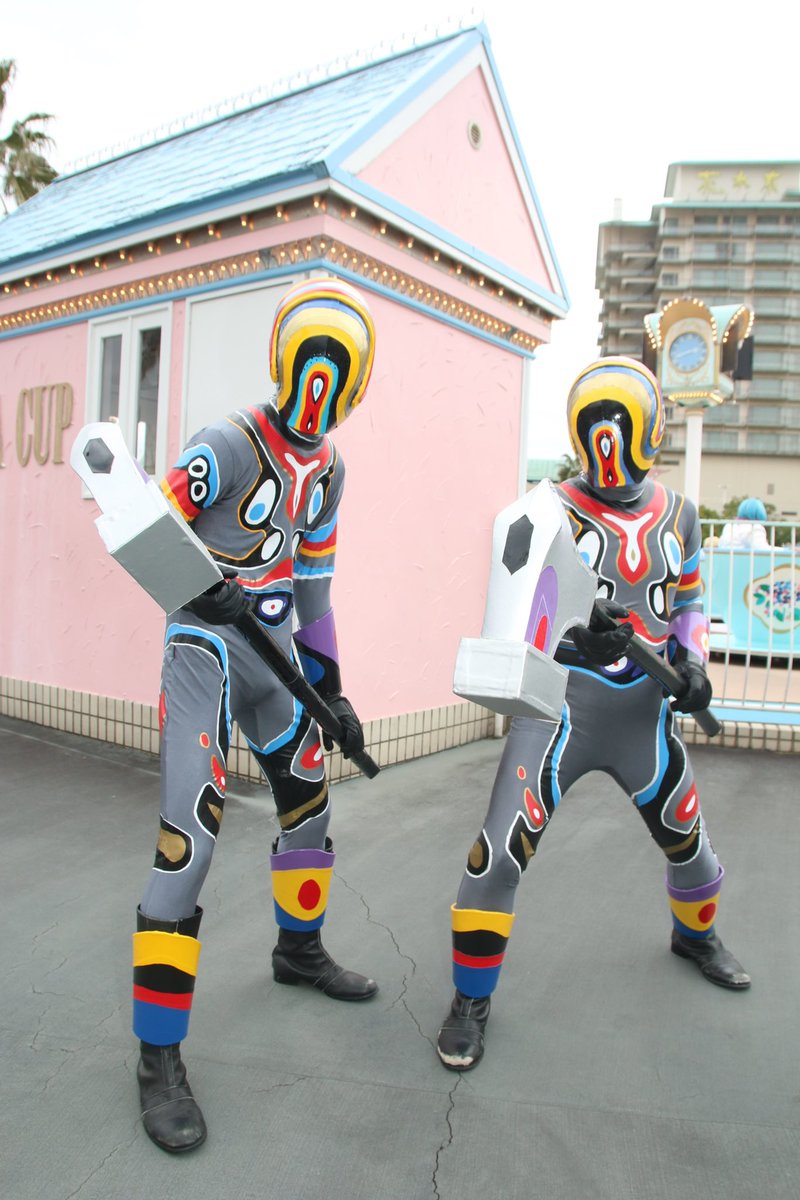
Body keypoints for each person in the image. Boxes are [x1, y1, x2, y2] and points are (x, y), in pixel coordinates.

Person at [436, 356, 751, 1073]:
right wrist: (576, 637)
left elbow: (689, 599)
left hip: (644, 715)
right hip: (560, 712)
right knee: (497, 853)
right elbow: (520, 615)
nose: (611, 455)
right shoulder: (544, 511)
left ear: (648, 433)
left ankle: (695, 936)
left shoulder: (679, 513)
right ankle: (469, 999)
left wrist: (695, 664)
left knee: (690, 846)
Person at [133, 278, 378, 1152]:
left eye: (336, 372)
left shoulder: (331, 471)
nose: (320, 386)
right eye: (311, 365)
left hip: (273, 654)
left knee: (308, 798)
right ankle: (156, 1056)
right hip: (204, 646)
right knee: (189, 836)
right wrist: (201, 585)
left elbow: (313, 581)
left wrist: (333, 686)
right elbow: (147, 527)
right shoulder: (228, 442)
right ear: (284, 362)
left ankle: (297, 949)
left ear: (354, 388)